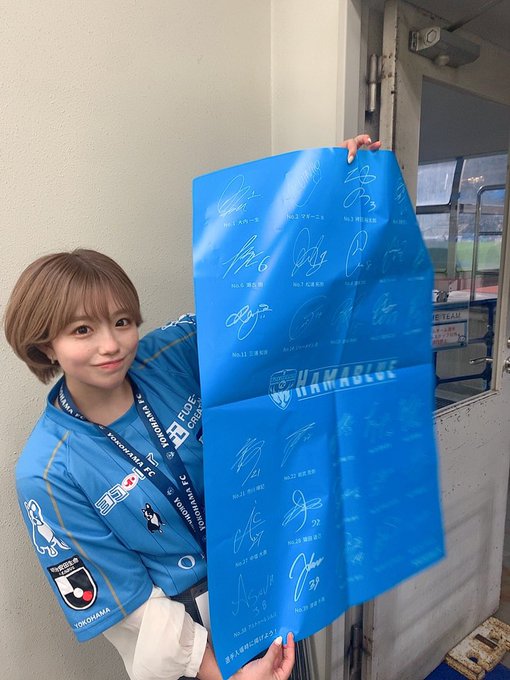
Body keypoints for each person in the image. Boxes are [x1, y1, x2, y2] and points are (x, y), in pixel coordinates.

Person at [4, 135, 378, 680]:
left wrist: (324, 191)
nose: (111, 345)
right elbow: (125, 604)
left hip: (267, 578)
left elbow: (257, 298)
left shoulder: (169, 355)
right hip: (190, 639)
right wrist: (220, 671)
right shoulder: (47, 472)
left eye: (122, 322)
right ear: (44, 346)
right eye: (82, 330)